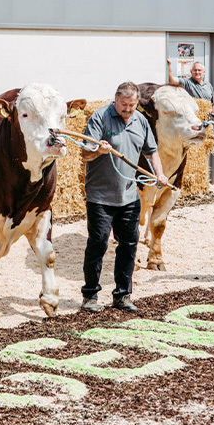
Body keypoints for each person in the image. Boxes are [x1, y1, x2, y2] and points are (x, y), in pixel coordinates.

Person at [80, 82, 170, 313]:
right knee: (98, 243)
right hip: (100, 196)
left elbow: (151, 152)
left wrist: (159, 173)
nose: (128, 109)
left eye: (132, 105)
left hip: (129, 196)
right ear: (115, 100)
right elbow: (84, 153)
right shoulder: (100, 117)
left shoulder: (140, 120)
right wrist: (98, 150)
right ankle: (90, 296)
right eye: (124, 105)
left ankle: (122, 295)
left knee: (129, 245)